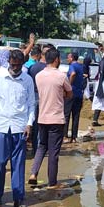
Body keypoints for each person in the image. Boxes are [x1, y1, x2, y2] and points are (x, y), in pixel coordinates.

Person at [0, 50, 35, 207]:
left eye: (18, 65)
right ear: (9, 63)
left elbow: (31, 104)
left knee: (18, 165)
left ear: (22, 64)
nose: (15, 68)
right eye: (13, 65)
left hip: (19, 128)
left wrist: (29, 124)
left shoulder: (27, 80)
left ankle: (18, 198)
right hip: (0, 127)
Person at [29, 49, 72, 188]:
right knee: (54, 152)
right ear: (56, 60)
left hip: (42, 116)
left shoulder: (39, 76)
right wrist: (62, 95)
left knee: (42, 146)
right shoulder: (61, 76)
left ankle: (33, 173)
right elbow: (70, 93)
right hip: (56, 118)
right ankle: (52, 182)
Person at [64, 52, 84, 143]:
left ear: (71, 58)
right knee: (76, 116)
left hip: (71, 93)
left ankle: (65, 136)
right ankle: (74, 137)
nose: (67, 59)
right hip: (79, 94)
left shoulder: (72, 66)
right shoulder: (81, 66)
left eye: (68, 57)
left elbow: (73, 74)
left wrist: (68, 85)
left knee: (66, 115)